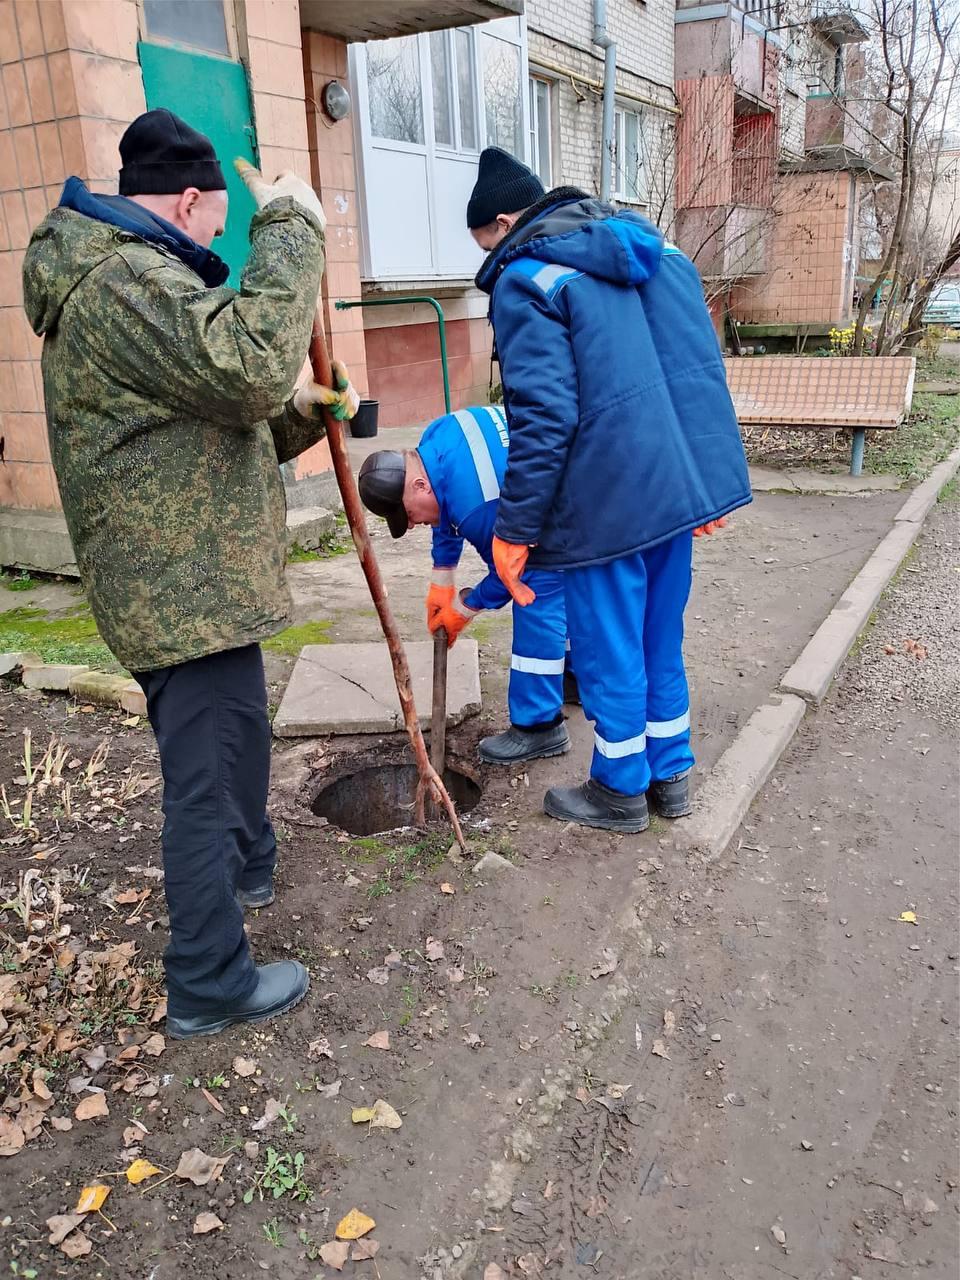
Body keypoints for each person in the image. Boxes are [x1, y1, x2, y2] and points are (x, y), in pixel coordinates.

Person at [22, 109, 358, 1039]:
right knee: (204, 783)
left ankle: (249, 869)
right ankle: (209, 979)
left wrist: (303, 415)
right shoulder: (123, 281)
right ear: (194, 199)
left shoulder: (134, 280)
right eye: (218, 226)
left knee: (240, 735)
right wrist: (292, 228)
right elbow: (248, 365)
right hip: (178, 595)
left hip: (198, 585)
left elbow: (218, 427)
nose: (219, 243)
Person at [465, 147, 751, 833]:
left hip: (604, 502)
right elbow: (697, 370)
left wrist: (515, 528)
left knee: (609, 647)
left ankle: (620, 788)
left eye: (483, 242)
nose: (487, 256)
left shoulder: (526, 278)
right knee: (659, 637)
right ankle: (670, 776)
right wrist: (700, 487)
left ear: (506, 222)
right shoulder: (661, 253)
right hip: (669, 493)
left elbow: (544, 417)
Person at [357, 405, 576, 764]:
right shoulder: (435, 438)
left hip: (566, 506)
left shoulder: (477, 508)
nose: (411, 524)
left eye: (408, 514)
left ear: (418, 484)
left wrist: (466, 607)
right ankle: (573, 678)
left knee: (537, 592)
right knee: (561, 591)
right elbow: (443, 504)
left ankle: (540, 728)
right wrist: (442, 578)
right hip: (554, 477)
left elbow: (510, 575)